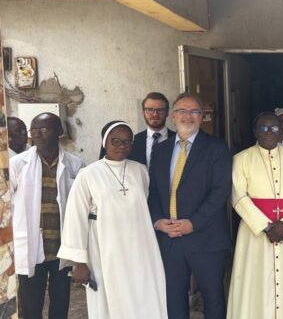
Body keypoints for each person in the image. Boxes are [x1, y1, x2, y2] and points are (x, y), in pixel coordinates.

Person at [57, 121, 167, 318]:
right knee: (110, 302)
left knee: (144, 294)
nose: (122, 146)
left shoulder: (140, 170)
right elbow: (75, 218)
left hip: (141, 250)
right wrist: (79, 263)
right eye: (115, 141)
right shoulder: (88, 174)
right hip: (105, 248)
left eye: (127, 142)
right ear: (105, 142)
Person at [148, 93, 232, 319]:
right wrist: (158, 221)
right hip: (170, 238)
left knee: (213, 299)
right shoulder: (161, 149)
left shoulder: (216, 148)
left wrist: (193, 223)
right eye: (182, 111)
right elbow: (153, 191)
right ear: (173, 116)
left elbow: (221, 191)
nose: (188, 116)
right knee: (173, 299)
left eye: (194, 111)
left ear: (202, 116)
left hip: (207, 238)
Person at [228, 112, 283, 319]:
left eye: (274, 128)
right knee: (256, 282)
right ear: (255, 132)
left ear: (282, 131)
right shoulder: (242, 159)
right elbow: (238, 197)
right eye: (263, 128)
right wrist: (266, 226)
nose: (269, 132)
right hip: (254, 232)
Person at [10, 113, 84, 319]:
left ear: (59, 131)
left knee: (60, 303)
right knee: (31, 306)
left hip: (62, 246)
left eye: (43, 129)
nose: (37, 134)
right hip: (32, 245)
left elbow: (81, 207)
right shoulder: (17, 164)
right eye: (33, 130)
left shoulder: (75, 164)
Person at [129, 92, 175, 167]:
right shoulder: (133, 142)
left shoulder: (179, 140)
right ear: (143, 113)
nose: (155, 114)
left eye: (160, 110)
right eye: (150, 110)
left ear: (167, 113)